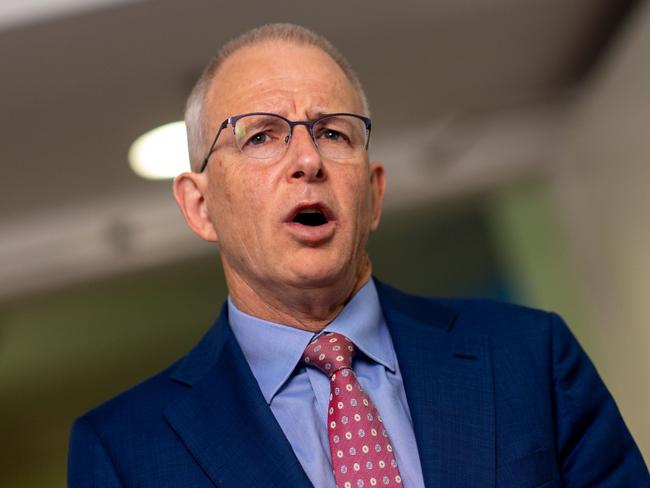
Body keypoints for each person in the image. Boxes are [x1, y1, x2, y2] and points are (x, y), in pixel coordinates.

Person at [68, 23, 649, 487]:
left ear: (372, 194)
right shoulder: (124, 451)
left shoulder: (530, 356)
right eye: (262, 135)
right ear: (199, 206)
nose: (307, 160)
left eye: (334, 132)